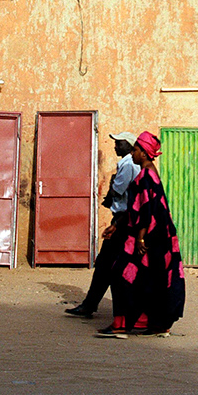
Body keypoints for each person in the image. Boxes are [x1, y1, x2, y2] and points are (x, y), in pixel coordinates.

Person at [98, 130, 186, 337]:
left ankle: (121, 325)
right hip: (156, 237)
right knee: (150, 279)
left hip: (150, 238)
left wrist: (140, 238)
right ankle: (148, 322)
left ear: (144, 154)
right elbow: (137, 207)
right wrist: (117, 224)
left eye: (136, 150)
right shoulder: (148, 174)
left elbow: (147, 209)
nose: (133, 154)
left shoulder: (146, 177)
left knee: (122, 274)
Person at [64, 132, 139, 318]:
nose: (116, 147)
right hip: (122, 219)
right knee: (106, 264)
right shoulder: (128, 164)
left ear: (129, 147)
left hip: (123, 220)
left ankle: (108, 311)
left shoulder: (128, 164)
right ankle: (90, 304)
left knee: (109, 265)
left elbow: (117, 190)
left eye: (119, 144)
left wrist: (113, 185)